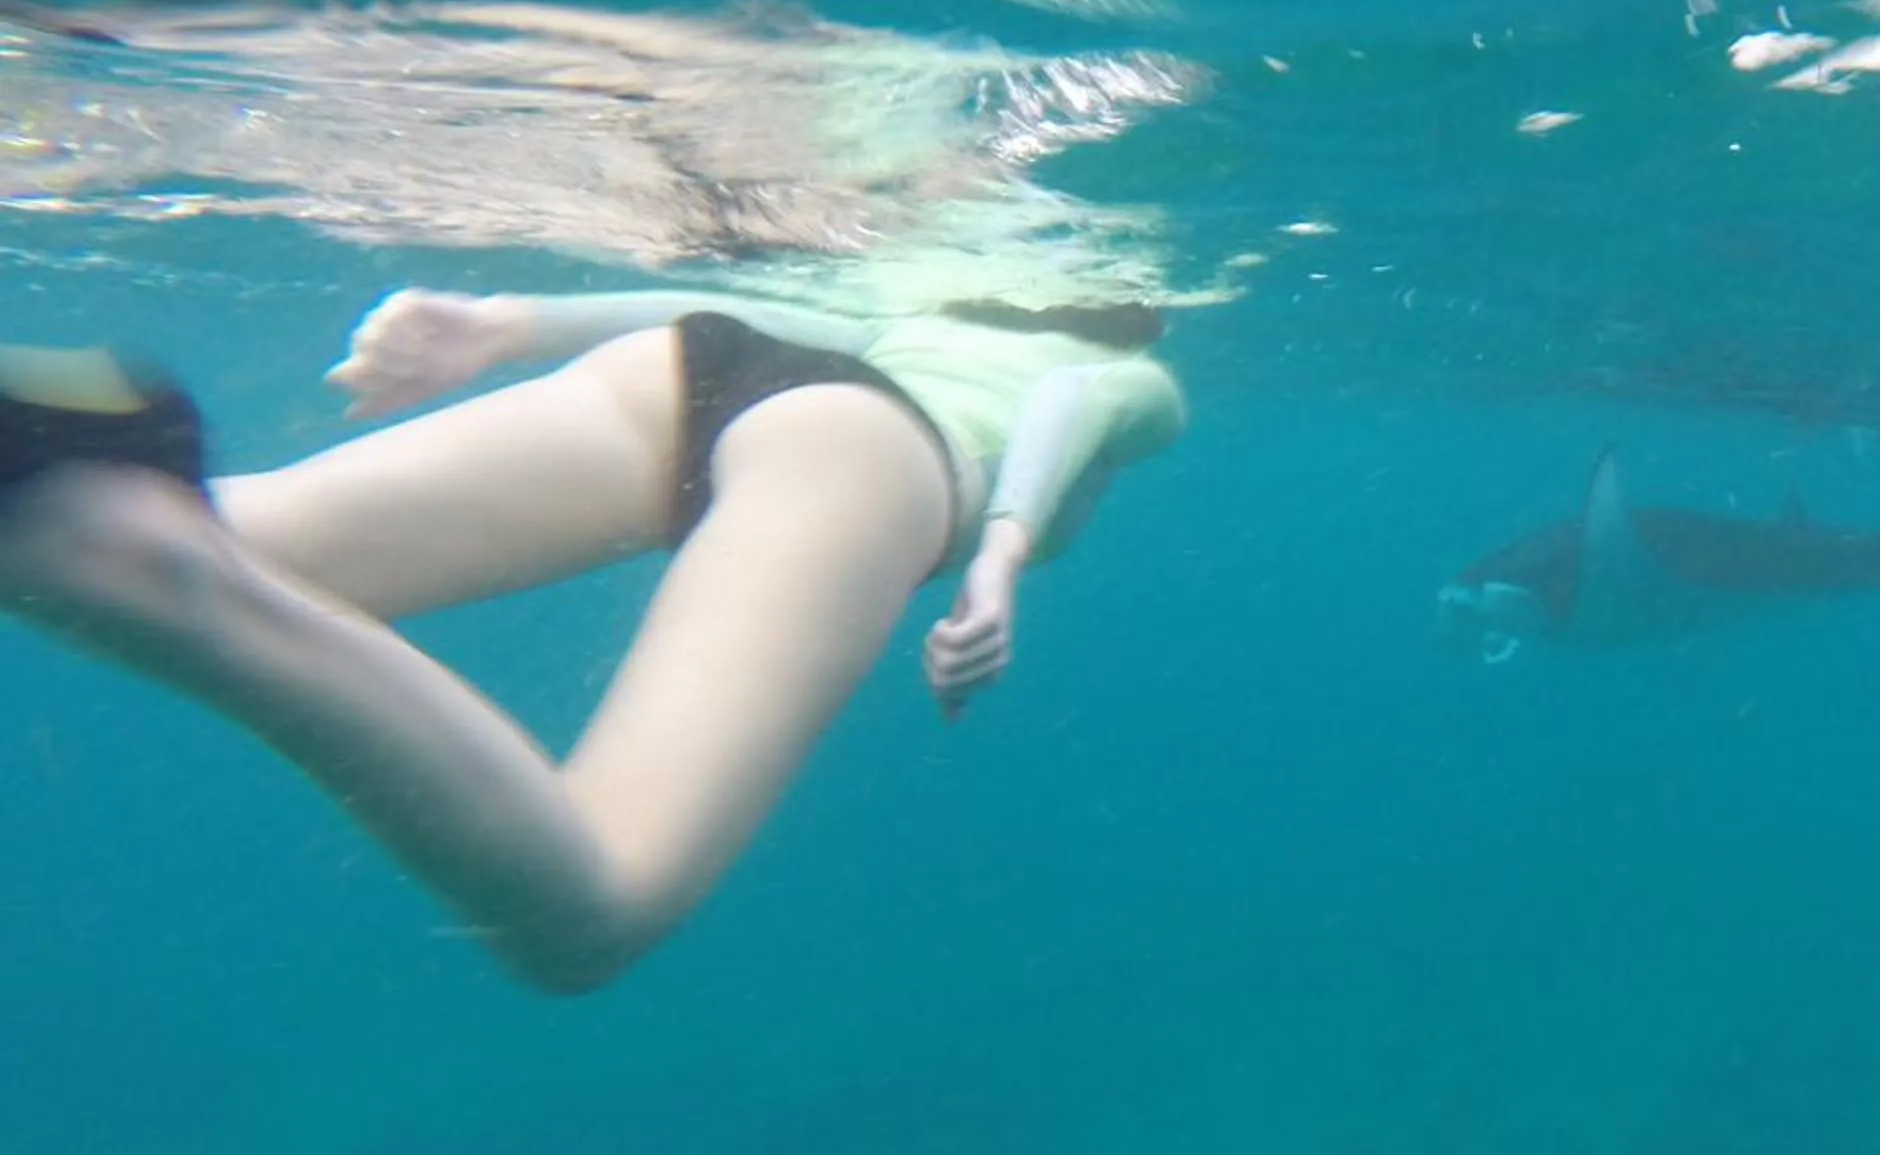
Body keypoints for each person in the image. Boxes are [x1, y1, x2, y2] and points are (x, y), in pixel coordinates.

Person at [0, 288, 1186, 990]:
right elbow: (1073, 407)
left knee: (224, 527)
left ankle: (84, 485)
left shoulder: (936, 303)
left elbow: (780, 317)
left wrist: (508, 325)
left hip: (689, 374)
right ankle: (152, 561)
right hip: (866, 458)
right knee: (591, 911)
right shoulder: (1139, 371)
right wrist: (1001, 555)